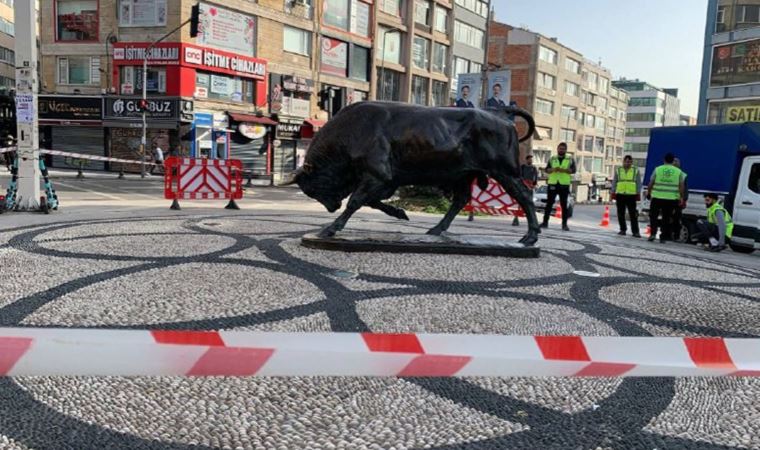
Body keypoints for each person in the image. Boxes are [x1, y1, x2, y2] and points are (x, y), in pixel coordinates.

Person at [647, 152, 685, 243]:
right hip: (671, 199)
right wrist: (681, 197)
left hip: (657, 197)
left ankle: (652, 234)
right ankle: (663, 237)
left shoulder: (658, 169)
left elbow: (651, 182)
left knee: (653, 216)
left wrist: (649, 193)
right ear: (673, 161)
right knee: (666, 218)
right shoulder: (679, 172)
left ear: (664, 160)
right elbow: (681, 186)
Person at [541, 142, 576, 231]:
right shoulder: (552, 158)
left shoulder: (570, 159)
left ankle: (564, 225)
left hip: (564, 184)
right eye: (560, 148)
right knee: (549, 204)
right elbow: (547, 170)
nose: (561, 150)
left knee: (564, 205)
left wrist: (565, 170)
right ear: (557, 149)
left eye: (563, 149)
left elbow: (573, 170)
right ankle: (545, 223)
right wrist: (553, 169)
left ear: (566, 150)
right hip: (553, 183)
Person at [611, 155, 642, 237]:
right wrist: (613, 192)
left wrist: (638, 193)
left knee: (633, 214)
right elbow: (614, 181)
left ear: (632, 162)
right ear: (623, 161)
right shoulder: (618, 170)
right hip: (620, 194)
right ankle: (622, 229)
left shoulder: (635, 171)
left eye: (629, 162)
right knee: (620, 213)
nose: (628, 163)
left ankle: (635, 232)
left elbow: (638, 183)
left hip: (631, 195)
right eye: (626, 161)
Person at [513, 154, 539, 226]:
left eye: (531, 159)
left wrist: (534, 184)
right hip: (523, 186)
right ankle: (516, 218)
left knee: (529, 202)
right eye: (529, 159)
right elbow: (519, 176)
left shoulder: (534, 168)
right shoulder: (523, 167)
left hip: (530, 187)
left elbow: (535, 178)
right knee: (520, 201)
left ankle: (531, 219)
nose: (530, 160)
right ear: (526, 160)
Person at [670, 157, 689, 241]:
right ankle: (667, 234)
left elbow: (685, 188)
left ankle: (676, 236)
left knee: (677, 219)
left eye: (677, 161)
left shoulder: (682, 174)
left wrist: (684, 199)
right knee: (667, 218)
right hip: (667, 198)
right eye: (673, 161)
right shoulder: (667, 173)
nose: (675, 163)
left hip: (678, 200)